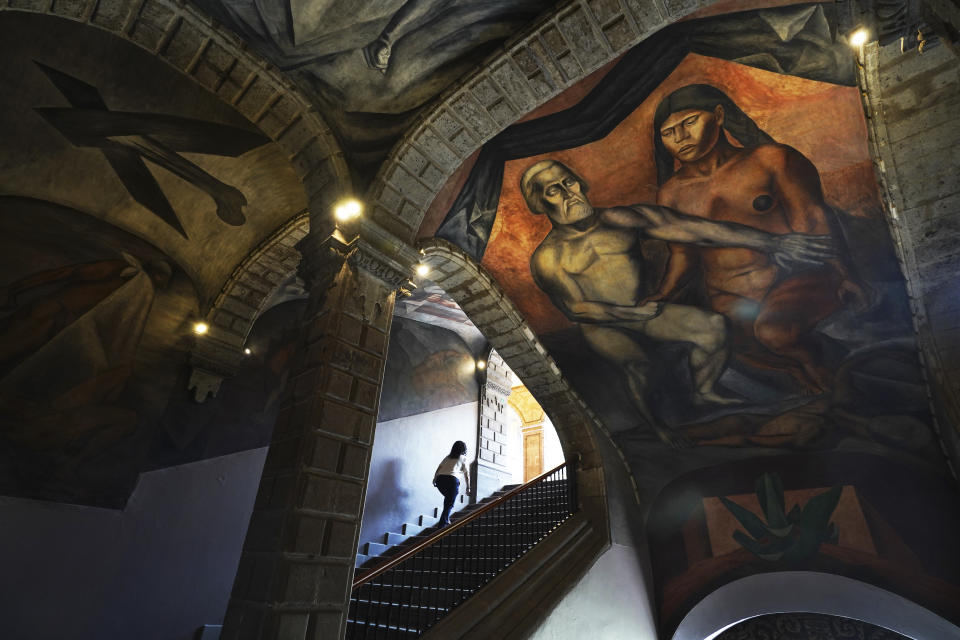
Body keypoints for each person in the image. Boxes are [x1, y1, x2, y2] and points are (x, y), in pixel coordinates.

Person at [521, 159, 836, 446]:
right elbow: (576, 308)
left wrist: (772, 241)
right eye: (553, 191)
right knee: (639, 366)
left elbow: (694, 230)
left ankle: (705, 391)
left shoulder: (620, 218)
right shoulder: (549, 258)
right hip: (603, 323)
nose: (568, 194)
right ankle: (661, 431)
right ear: (540, 203)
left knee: (713, 328)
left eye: (569, 183)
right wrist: (629, 314)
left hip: (644, 310)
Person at [650, 84, 869, 394]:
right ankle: (828, 400)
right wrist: (661, 295)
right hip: (727, 294)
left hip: (792, 280)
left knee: (775, 333)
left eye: (689, 122)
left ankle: (843, 388)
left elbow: (811, 219)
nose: (680, 137)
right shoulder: (670, 194)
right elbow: (682, 253)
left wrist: (845, 274)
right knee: (740, 347)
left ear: (719, 116)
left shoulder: (772, 160)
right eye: (668, 132)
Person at [433, 440, 470, 527]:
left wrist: (435, 478)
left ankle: (446, 520)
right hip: (452, 480)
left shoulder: (448, 457)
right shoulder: (463, 458)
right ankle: (443, 524)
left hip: (440, 480)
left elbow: (439, 468)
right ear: (464, 449)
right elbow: (467, 474)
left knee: (448, 500)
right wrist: (468, 487)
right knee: (450, 502)